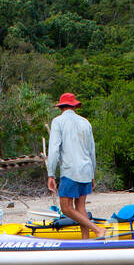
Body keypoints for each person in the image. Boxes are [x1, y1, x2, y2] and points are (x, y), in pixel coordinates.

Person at [46, 93, 99, 239]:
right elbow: (92, 151)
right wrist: (92, 174)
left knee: (66, 208)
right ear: (74, 105)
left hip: (70, 170)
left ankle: (97, 230)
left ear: (61, 107)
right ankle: (86, 240)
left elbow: (54, 149)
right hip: (86, 169)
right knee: (80, 207)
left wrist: (51, 174)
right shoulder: (85, 122)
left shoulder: (58, 122)